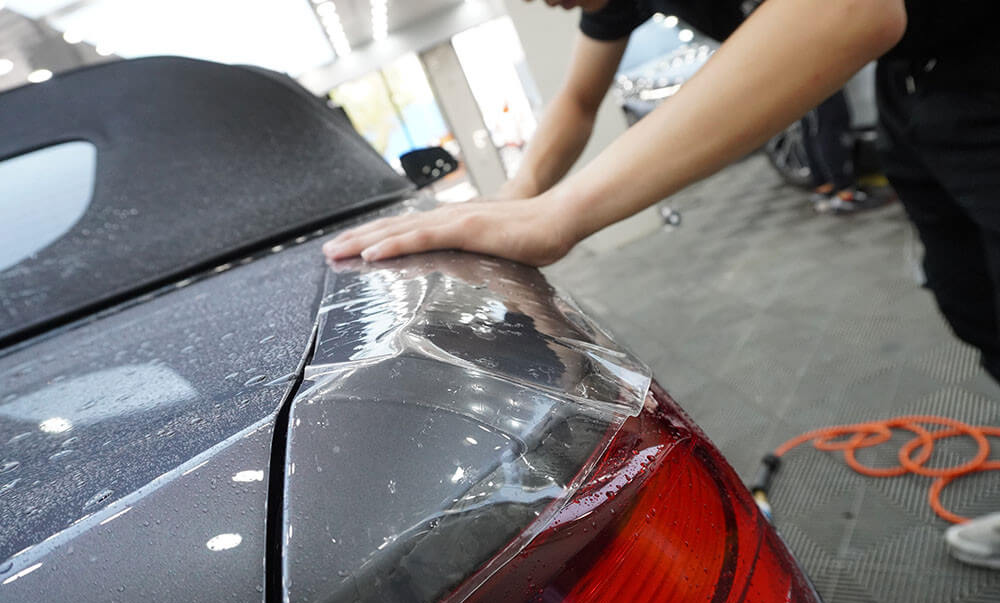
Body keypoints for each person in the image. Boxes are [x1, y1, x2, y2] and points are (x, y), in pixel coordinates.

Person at [323, 0, 1000, 382]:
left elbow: (853, 6)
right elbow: (578, 100)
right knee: (969, 300)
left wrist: (561, 213)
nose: (535, 3)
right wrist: (517, 197)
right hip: (915, 84)